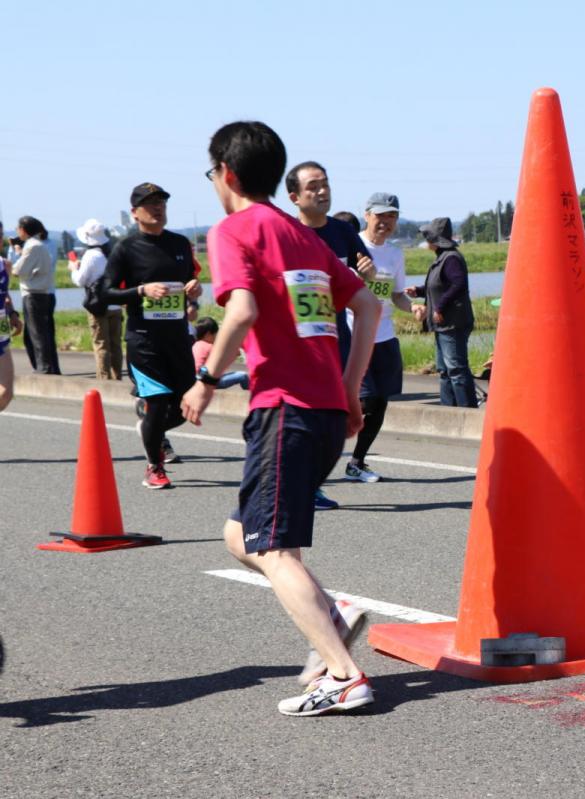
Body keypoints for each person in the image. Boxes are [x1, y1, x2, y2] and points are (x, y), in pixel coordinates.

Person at [183, 120, 380, 716]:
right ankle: (333, 614)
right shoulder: (302, 236)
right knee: (239, 533)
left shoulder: (234, 229)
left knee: (271, 548)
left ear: (228, 174)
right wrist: (349, 390)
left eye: (212, 173)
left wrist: (207, 380)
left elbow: (239, 309)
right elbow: (367, 306)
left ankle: (344, 675)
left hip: (283, 409)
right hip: (322, 408)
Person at [285, 161, 376, 509]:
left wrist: (365, 273)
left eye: (325, 184)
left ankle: (310, 483)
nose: (322, 191)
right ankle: (300, 486)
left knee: (336, 417)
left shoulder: (343, 232)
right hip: (298, 344)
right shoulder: (289, 234)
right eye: (313, 186)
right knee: (309, 418)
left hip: (337, 336)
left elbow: (362, 280)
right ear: (294, 197)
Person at [99, 184, 202, 489]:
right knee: (157, 402)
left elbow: (189, 284)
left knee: (185, 406)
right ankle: (154, 466)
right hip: (144, 339)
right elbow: (104, 293)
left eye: (161, 203)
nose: (158, 208)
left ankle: (150, 429)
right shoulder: (126, 248)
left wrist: (193, 294)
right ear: (135, 213)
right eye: (150, 203)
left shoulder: (180, 244)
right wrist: (141, 290)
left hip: (178, 337)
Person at [343, 193, 414, 482]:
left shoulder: (395, 254)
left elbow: (396, 295)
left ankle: (357, 462)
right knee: (366, 398)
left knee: (381, 400)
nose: (386, 222)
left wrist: (414, 308)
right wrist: (364, 279)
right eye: (381, 215)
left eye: (392, 216)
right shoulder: (352, 246)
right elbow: (340, 292)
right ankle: (323, 450)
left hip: (384, 336)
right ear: (367, 214)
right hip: (353, 333)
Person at [407, 218, 476, 407]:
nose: (426, 240)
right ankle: (448, 411)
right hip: (443, 324)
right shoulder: (443, 257)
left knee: (456, 369)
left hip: (452, 322)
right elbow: (439, 285)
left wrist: (439, 307)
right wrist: (419, 291)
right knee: (445, 370)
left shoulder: (451, 257)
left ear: (434, 239)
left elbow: (457, 285)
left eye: (427, 236)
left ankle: (467, 411)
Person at [71, 219, 123, 380]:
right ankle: (117, 376)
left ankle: (104, 379)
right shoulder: (112, 253)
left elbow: (80, 280)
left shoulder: (91, 256)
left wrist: (73, 269)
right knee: (116, 344)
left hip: (98, 306)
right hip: (116, 305)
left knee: (101, 344)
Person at [11, 216, 60, 375]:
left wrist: (18, 254)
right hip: (43, 293)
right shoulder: (41, 245)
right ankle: (48, 367)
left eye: (18, 228)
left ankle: (43, 368)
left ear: (23, 230)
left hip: (33, 294)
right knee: (43, 333)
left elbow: (18, 270)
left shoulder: (32, 247)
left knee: (36, 334)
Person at [193, 317, 249, 389]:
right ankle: (250, 395)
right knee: (243, 376)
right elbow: (236, 353)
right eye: (215, 334)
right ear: (208, 334)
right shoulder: (209, 346)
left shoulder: (196, 345)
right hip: (207, 381)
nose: (216, 336)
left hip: (196, 378)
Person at [0, 246, 24, 411]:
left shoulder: (5, 264)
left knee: (6, 392)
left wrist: (13, 313)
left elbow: (4, 293)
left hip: (1, 324)